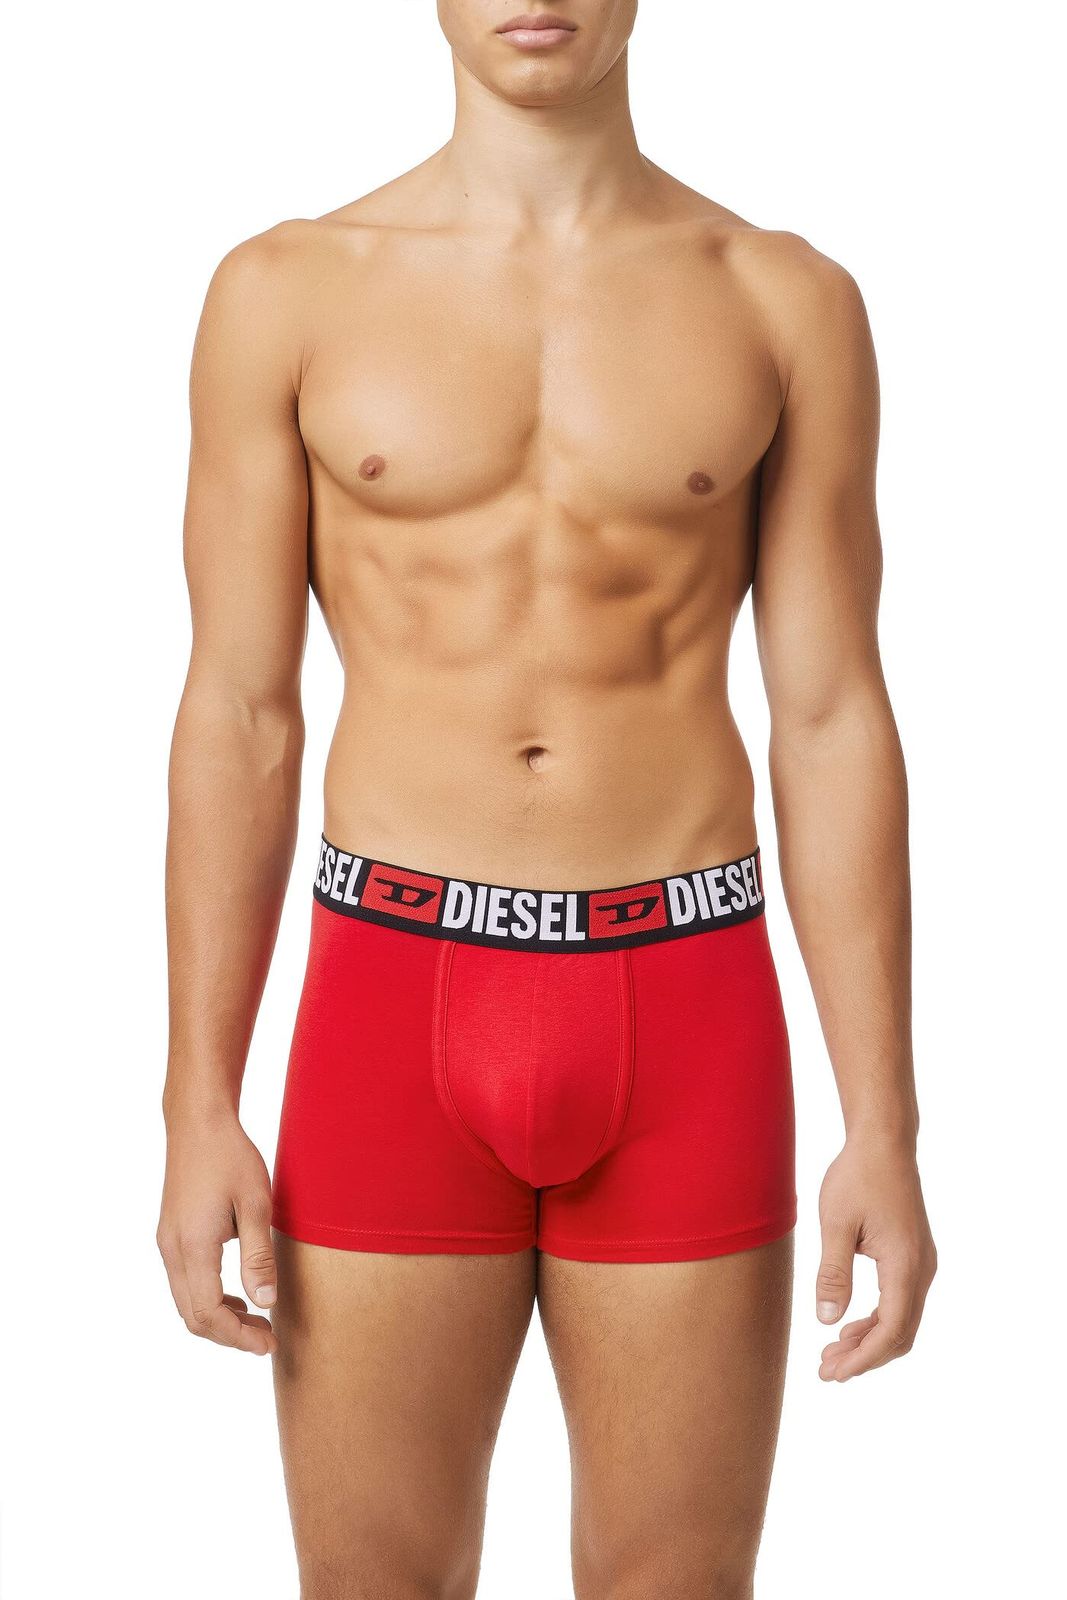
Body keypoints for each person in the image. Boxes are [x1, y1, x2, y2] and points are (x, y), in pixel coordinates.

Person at [157, 3, 937, 1594]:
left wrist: (886, 1124)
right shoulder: (287, 292)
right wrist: (195, 1101)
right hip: (391, 994)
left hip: (685, 998)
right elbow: (240, 714)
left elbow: (831, 715)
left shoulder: (783, 299)